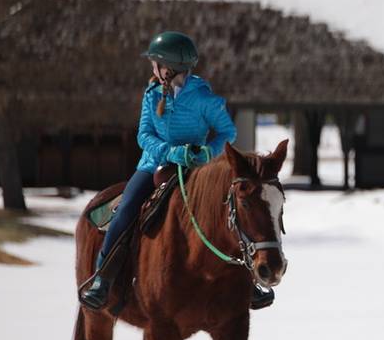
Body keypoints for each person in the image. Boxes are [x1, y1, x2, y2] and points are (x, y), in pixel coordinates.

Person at [78, 32, 270, 310]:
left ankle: (249, 282)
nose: (152, 68)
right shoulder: (151, 95)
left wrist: (207, 152)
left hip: (197, 169)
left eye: (155, 63)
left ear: (168, 68)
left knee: (227, 215)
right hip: (153, 165)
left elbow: (227, 131)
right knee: (128, 206)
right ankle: (102, 278)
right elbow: (143, 135)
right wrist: (169, 152)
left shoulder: (204, 98)